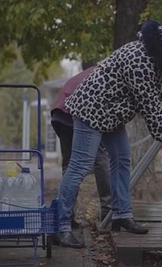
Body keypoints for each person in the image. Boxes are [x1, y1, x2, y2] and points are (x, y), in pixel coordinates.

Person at [54, 19, 162, 248]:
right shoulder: (140, 57)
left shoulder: (153, 57)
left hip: (111, 114)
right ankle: (59, 227)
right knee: (80, 165)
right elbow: (148, 101)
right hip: (92, 109)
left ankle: (121, 215)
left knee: (122, 159)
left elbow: (149, 88)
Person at [50, 67, 111, 230]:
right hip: (77, 112)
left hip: (61, 111)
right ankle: (107, 212)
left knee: (70, 166)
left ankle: (66, 217)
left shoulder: (99, 70)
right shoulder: (110, 74)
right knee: (101, 159)